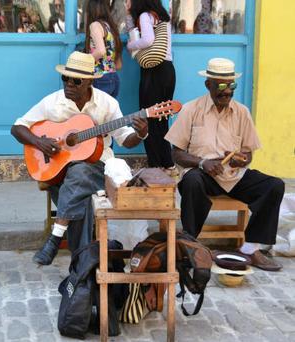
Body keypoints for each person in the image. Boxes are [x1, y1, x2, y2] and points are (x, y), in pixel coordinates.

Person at [11, 51, 148, 265]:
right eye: (65, 78)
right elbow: (17, 127)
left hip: (97, 169)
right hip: (60, 173)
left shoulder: (107, 104)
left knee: (81, 172)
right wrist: (40, 143)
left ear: (88, 83)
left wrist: (140, 133)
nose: (69, 85)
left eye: (75, 81)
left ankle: (57, 239)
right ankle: (82, 265)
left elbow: (125, 139)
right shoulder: (52, 102)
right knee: (80, 194)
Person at [164, 58, 285, 271]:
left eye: (231, 86)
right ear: (208, 84)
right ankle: (190, 244)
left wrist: (242, 159)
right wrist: (202, 162)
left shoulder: (242, 112)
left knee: (274, 185)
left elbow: (248, 153)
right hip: (203, 176)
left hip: (233, 176)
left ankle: (249, 248)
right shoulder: (191, 109)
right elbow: (176, 153)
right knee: (191, 180)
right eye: (220, 86)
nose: (227, 91)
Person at [125, 0, 178, 176]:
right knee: (162, 119)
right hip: (168, 71)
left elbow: (147, 40)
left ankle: (156, 166)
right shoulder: (163, 18)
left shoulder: (145, 16)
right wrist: (128, 13)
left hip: (153, 72)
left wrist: (130, 45)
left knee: (148, 118)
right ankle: (167, 164)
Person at [85, 0, 123, 98]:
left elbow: (101, 51)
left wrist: (83, 61)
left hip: (100, 76)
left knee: (97, 112)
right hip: (114, 77)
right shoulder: (111, 27)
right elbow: (118, 65)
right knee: (110, 112)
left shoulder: (95, 25)